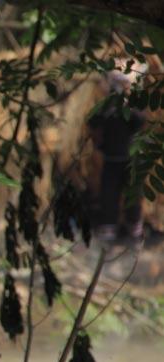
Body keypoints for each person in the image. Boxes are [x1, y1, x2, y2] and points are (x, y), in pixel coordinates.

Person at [87, 70, 145, 245]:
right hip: (111, 159)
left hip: (130, 160)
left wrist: (125, 108)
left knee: (132, 196)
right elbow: (92, 122)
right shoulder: (105, 109)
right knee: (109, 195)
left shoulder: (133, 109)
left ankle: (134, 229)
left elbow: (139, 123)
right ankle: (109, 228)